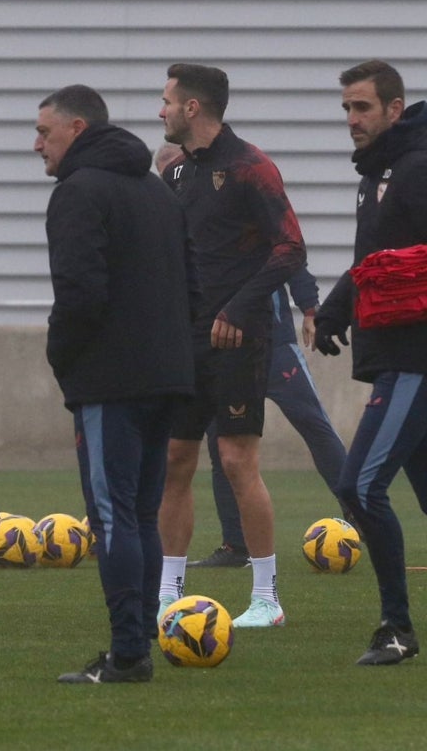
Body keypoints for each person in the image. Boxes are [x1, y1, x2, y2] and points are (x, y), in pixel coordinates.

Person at [38, 85, 195, 683]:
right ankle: (140, 644)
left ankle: (129, 652)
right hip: (167, 377)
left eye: (44, 132)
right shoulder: (155, 191)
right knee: (139, 512)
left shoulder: (78, 193)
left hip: (113, 381)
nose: (36, 145)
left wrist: (62, 358)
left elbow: (79, 294)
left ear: (76, 129)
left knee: (111, 516)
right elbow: (191, 283)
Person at [156, 63, 306, 628]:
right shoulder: (175, 178)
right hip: (184, 341)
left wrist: (239, 308)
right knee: (175, 460)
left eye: (167, 100)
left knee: (237, 460)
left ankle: (266, 599)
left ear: (192, 108)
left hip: (240, 337)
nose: (161, 109)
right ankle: (169, 592)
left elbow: (291, 249)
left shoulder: (251, 168)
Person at [316, 59, 427, 665]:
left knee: (359, 487)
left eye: (362, 108)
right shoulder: (379, 172)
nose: (352, 120)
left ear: (394, 108)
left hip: (414, 358)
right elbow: (375, 259)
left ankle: (396, 629)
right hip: (395, 354)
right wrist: (337, 309)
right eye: (347, 110)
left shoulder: (415, 167)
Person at [193, 268, 349, 567]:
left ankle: (360, 513)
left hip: (275, 347)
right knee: (221, 446)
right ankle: (235, 547)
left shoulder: (264, 223)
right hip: (223, 351)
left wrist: (310, 309)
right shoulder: (200, 229)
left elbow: (293, 259)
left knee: (314, 424)